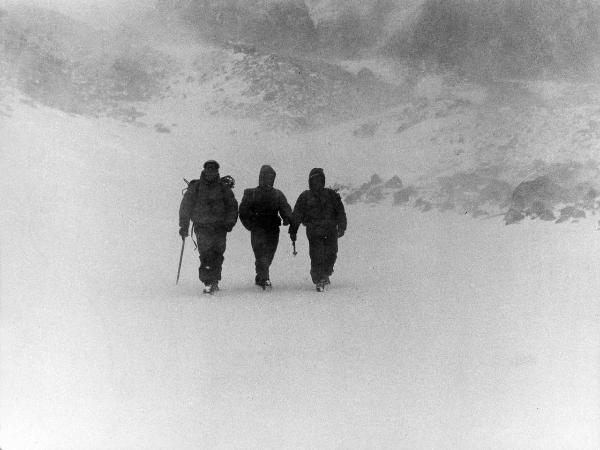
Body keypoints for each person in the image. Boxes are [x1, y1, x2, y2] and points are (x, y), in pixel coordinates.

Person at [179, 160, 238, 294]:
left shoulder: (224, 188)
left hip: (220, 228)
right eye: (208, 169)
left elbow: (232, 207)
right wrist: (184, 226)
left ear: (217, 171)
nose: (211, 172)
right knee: (206, 255)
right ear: (205, 170)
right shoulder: (196, 187)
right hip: (202, 227)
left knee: (218, 255)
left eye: (213, 169)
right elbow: (186, 207)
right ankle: (207, 282)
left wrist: (229, 223)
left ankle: (214, 280)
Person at [289, 168, 347, 292]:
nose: (317, 183)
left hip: (331, 230)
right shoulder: (305, 196)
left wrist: (342, 226)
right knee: (317, 255)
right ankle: (318, 278)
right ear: (310, 182)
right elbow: (297, 215)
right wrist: (293, 230)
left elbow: (340, 211)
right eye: (314, 181)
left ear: (323, 181)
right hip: (314, 231)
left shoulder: (331, 195)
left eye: (319, 180)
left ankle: (326, 273)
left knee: (331, 254)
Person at [239, 165, 294, 289]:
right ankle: (265, 278)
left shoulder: (277, 194)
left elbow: (285, 208)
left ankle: (261, 275)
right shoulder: (251, 193)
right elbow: (243, 211)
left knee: (269, 254)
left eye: (271, 178)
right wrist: (251, 225)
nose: (269, 180)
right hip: (258, 229)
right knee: (260, 253)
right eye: (266, 177)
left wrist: (287, 218)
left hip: (273, 229)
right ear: (261, 178)